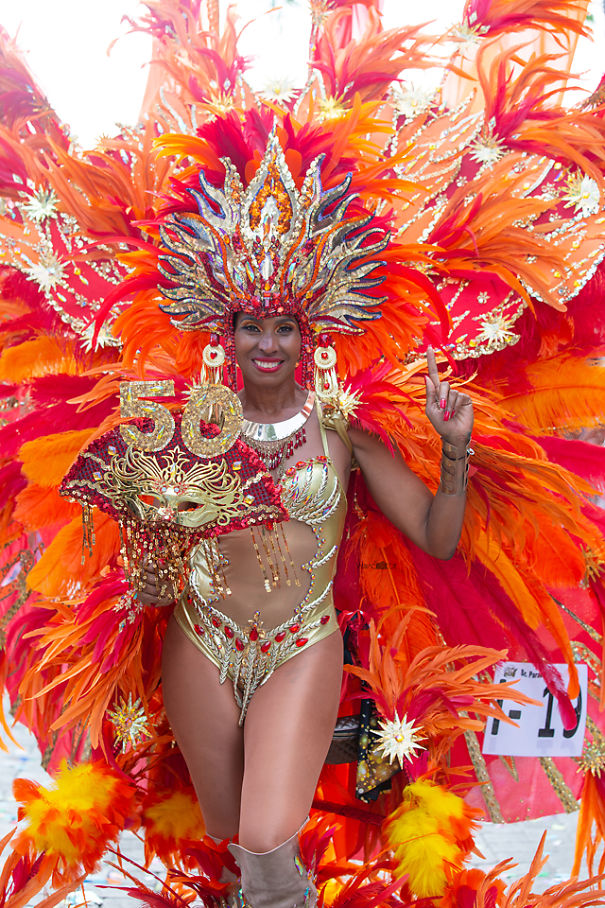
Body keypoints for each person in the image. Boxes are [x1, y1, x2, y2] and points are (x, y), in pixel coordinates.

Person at [135, 227, 473, 906]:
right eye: (251, 326)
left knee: (265, 836)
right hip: (201, 641)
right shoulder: (190, 425)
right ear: (224, 335)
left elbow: (436, 538)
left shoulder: (344, 427)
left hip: (299, 644)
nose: (267, 344)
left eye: (283, 328)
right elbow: (156, 544)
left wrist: (454, 450)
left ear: (306, 337)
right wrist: (148, 570)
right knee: (233, 838)